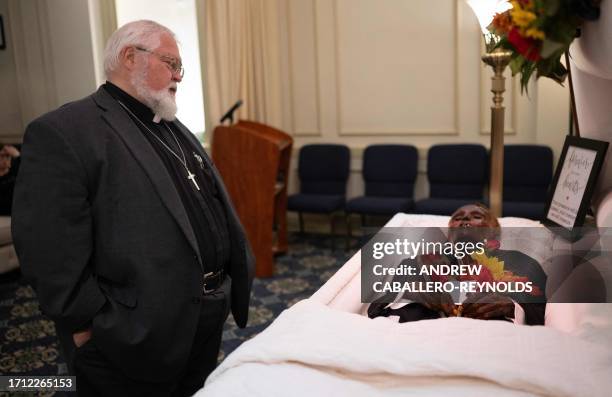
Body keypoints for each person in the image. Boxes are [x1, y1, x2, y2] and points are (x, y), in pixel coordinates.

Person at [12, 20, 254, 396]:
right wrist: (86, 327)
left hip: (199, 316)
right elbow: (48, 249)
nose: (179, 76)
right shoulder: (65, 131)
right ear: (129, 57)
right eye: (170, 63)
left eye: (180, 67)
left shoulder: (169, 123)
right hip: (129, 335)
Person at [368, 204, 547, 325]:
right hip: (418, 342)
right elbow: (377, 308)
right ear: (449, 234)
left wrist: (510, 306)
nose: (464, 220)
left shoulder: (520, 262)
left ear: (494, 232)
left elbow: (539, 313)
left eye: (476, 217)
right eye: (458, 218)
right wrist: (410, 291)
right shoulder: (417, 262)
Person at [0, 144, 21, 215]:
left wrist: (17, 155)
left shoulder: (14, 176)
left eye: (8, 156)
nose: (5, 158)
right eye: (2, 155)